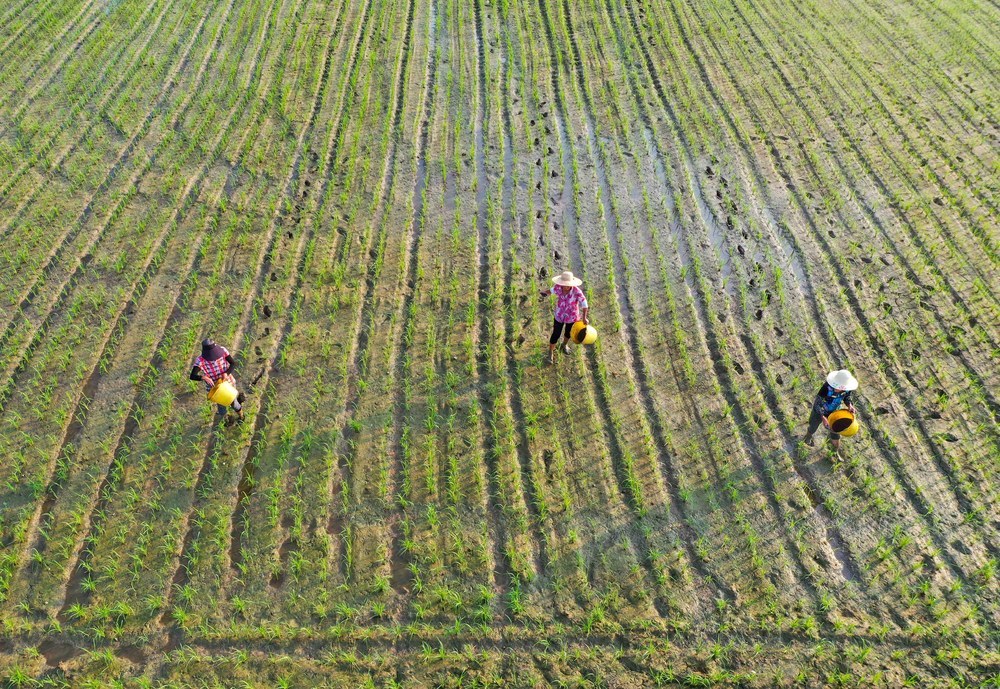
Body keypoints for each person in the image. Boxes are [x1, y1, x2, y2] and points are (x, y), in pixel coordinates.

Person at [540, 270, 589, 365]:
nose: (565, 286)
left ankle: (564, 345)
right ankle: (550, 351)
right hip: (559, 315)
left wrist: (584, 318)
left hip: (572, 316)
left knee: (568, 333)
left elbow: (584, 304)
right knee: (556, 334)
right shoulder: (558, 287)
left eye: (567, 284)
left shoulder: (576, 291)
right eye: (564, 284)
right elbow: (550, 291)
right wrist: (544, 293)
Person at [190, 338, 244, 423]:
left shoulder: (223, 351)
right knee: (221, 405)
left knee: (233, 402)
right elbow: (192, 376)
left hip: (226, 382)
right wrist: (203, 377)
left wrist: (226, 373)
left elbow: (233, 363)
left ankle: (241, 416)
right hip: (215, 387)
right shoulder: (200, 360)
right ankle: (226, 418)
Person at [803, 369, 858, 453]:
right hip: (820, 411)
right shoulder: (826, 388)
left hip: (835, 412)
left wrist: (849, 405)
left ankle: (834, 452)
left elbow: (847, 397)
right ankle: (808, 437)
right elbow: (818, 404)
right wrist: (823, 418)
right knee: (813, 426)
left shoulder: (847, 388)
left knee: (836, 433)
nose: (838, 389)